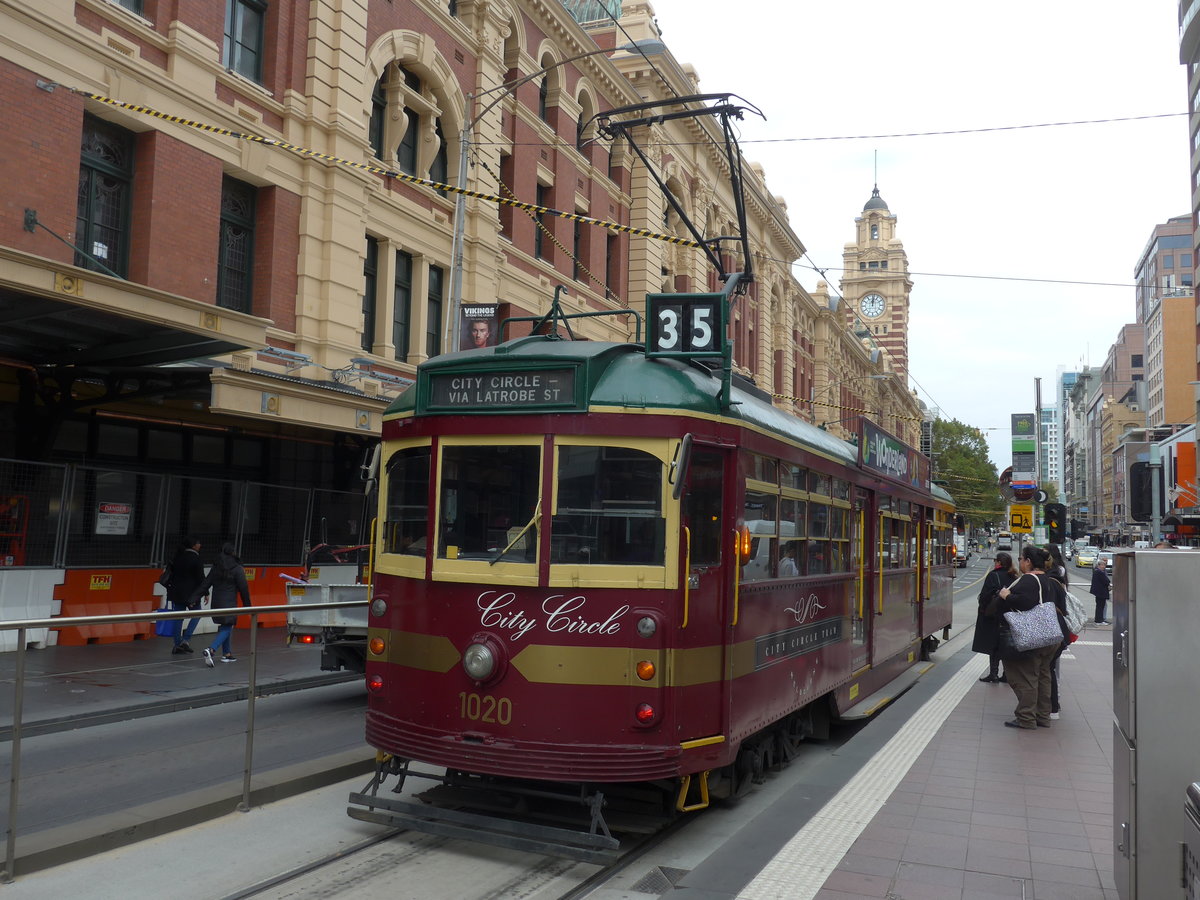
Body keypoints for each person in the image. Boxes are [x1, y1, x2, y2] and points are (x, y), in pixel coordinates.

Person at [996, 545, 1068, 729]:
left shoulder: (1028, 580)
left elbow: (1023, 602)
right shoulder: (1047, 579)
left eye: (1021, 558)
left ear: (1028, 562)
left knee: (1026, 677)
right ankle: (1043, 716)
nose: (1019, 561)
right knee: (1044, 676)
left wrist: (1006, 596)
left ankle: (1026, 717)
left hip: (1032, 637)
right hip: (1050, 635)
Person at [189, 542, 251, 667]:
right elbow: (243, 588)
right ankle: (211, 650)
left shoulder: (216, 568)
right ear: (233, 553)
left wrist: (193, 598)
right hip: (229, 604)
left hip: (217, 603)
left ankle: (227, 654)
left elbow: (205, 585)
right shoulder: (237, 568)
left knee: (225, 626)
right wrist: (247, 605)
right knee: (228, 626)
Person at [973, 551, 1017, 683]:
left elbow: (984, 596)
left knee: (994, 645)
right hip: (1009, 616)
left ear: (998, 562)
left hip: (994, 615)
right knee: (1006, 646)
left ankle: (993, 673)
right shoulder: (1014, 576)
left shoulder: (993, 576)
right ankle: (1006, 674)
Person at [165, 536, 206, 654]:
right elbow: (200, 578)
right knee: (197, 614)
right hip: (191, 594)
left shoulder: (178, 557)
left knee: (178, 618)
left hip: (176, 593)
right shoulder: (196, 559)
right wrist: (205, 592)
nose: (200, 545)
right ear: (193, 545)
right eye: (198, 543)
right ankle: (186, 639)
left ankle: (177, 644)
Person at [1044, 544, 1071, 720]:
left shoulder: (1053, 578)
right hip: (1059, 629)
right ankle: (1054, 703)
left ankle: (1052, 705)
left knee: (1048, 668)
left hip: (1053, 628)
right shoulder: (1059, 576)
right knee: (1051, 667)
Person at [1089, 556, 1111, 625]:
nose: (1104, 566)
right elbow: (1107, 581)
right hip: (1101, 592)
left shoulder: (1096, 571)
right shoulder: (1100, 572)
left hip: (1099, 592)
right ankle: (1099, 620)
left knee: (1100, 606)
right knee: (1100, 606)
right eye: (1103, 565)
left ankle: (1099, 620)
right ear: (1099, 565)